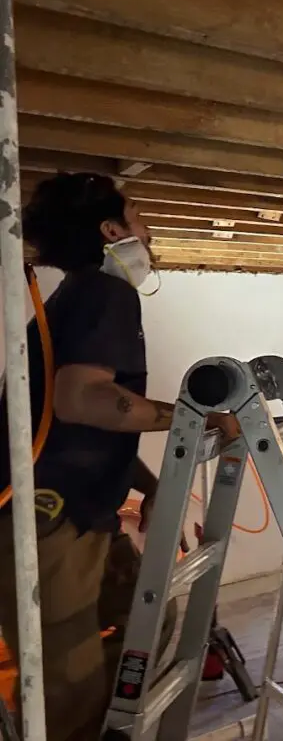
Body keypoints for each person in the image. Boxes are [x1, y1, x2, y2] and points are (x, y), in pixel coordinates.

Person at [0, 172, 239, 741]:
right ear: (113, 231)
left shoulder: (76, 299)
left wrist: (154, 484)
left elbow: (73, 425)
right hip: (46, 524)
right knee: (71, 687)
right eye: (139, 218)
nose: (149, 234)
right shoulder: (106, 294)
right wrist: (192, 417)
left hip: (78, 514)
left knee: (146, 623)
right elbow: (84, 401)